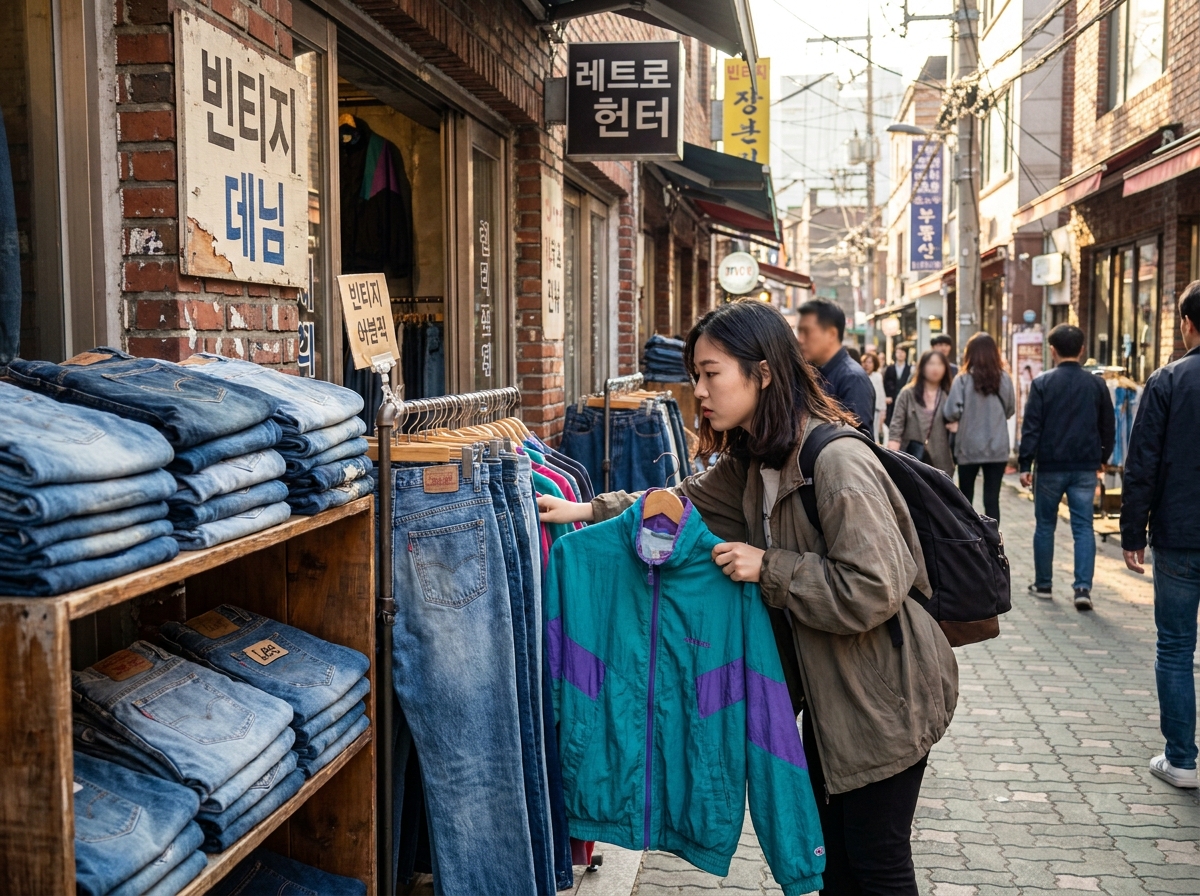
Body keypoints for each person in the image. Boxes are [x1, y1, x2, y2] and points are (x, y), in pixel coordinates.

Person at [540, 299, 958, 895]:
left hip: (886, 693)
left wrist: (770, 567)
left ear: (761, 373)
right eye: (696, 377)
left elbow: (874, 587)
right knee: (837, 858)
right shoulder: (756, 459)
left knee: (875, 861)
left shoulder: (836, 461)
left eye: (711, 374)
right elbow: (680, 504)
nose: (700, 392)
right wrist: (586, 510)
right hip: (830, 693)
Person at [1121, 280, 1200, 790]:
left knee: (1175, 646)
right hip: (1179, 530)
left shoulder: (1169, 380)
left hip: (1179, 533)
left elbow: (1142, 462)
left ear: (1187, 324)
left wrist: (1132, 530)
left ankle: (1182, 761)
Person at [1018, 324, 1115, 610]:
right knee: (1084, 527)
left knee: (1045, 526)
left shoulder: (1043, 383)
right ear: (1082, 350)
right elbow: (1107, 426)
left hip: (1049, 466)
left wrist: (1025, 462)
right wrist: (1103, 458)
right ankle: (1082, 588)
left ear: (1052, 350)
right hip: (1085, 465)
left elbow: (1031, 427)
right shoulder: (1097, 384)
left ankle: (1044, 584)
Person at [942, 332, 1015, 524]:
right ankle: (994, 546)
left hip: (968, 446)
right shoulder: (1005, 379)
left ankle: (969, 543)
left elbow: (950, 412)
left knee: (966, 499)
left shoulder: (963, 379)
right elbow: (1010, 410)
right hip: (997, 447)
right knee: (992, 500)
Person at [795, 298, 876, 438]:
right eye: (799, 332)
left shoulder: (853, 378)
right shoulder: (812, 371)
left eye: (806, 332)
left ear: (832, 334)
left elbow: (859, 437)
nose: (800, 339)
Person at [887, 350, 955, 477]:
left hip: (941, 457)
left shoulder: (949, 394)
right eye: (931, 364)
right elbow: (897, 422)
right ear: (922, 367)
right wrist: (893, 443)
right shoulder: (907, 393)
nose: (936, 368)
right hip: (912, 456)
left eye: (940, 364)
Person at [861, 350, 888, 442]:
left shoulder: (877, 376)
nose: (867, 365)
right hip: (863, 409)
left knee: (875, 434)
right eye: (865, 362)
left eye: (870, 362)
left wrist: (883, 412)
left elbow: (881, 394)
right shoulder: (859, 375)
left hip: (875, 410)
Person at [882, 346, 912, 428]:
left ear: (906, 354)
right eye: (898, 352)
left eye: (902, 352)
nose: (900, 355)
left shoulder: (910, 369)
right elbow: (885, 383)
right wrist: (887, 396)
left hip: (906, 397)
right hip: (892, 398)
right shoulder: (890, 368)